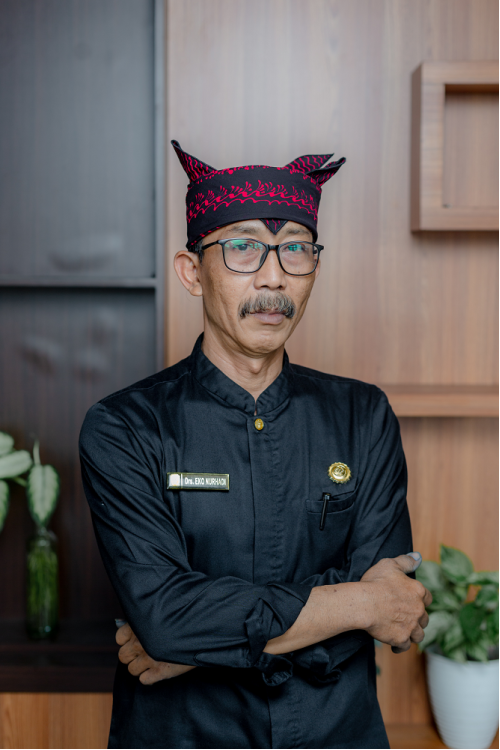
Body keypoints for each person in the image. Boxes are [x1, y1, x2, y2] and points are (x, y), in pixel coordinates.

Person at [79, 140, 431, 749]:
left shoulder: (362, 414)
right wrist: (356, 604)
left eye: (296, 248)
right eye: (242, 248)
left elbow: (394, 604)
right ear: (193, 272)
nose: (274, 277)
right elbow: (165, 618)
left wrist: (196, 646)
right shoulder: (125, 427)